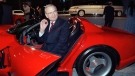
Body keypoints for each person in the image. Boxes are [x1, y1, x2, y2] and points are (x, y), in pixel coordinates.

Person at [37, 4, 70, 76]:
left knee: (48, 71)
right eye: (50, 13)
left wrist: (49, 55)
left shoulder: (64, 23)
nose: (53, 14)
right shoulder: (47, 22)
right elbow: (41, 40)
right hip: (47, 48)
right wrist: (41, 30)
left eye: (54, 11)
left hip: (59, 51)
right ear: (46, 15)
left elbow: (61, 42)